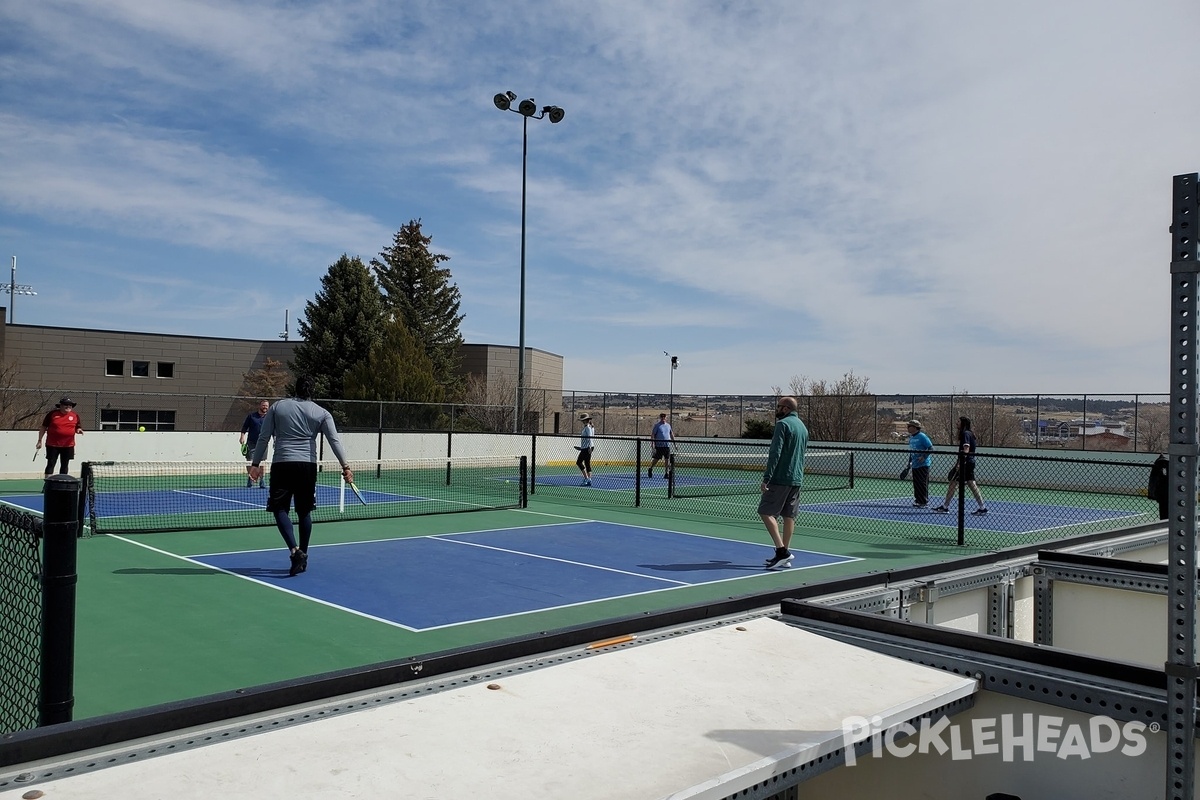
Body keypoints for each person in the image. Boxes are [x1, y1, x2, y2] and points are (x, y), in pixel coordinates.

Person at [249, 376, 353, 577]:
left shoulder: (277, 407)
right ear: (312, 391)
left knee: (279, 508)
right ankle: (303, 555)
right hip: (307, 466)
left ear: (294, 389)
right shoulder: (322, 413)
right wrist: (345, 466)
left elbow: (264, 436)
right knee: (304, 512)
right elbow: (334, 441)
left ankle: (295, 551)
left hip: (282, 464)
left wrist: (255, 464)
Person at [759, 396, 809, 570]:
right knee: (789, 515)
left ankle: (782, 552)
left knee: (765, 512)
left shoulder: (783, 425)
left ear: (786, 409)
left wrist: (767, 478)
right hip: (796, 478)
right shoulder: (802, 426)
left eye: (779, 406)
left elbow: (775, 453)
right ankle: (784, 555)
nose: (777, 409)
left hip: (781, 478)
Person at [934, 416, 988, 515]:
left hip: (966, 463)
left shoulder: (966, 434)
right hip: (968, 462)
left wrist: (960, 463)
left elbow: (966, 449)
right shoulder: (968, 433)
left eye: (958, 422)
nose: (956, 424)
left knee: (953, 483)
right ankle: (982, 507)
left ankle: (945, 507)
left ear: (963, 423)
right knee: (971, 484)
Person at [36, 397, 85, 477]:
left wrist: (79, 430)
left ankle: (62, 483)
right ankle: (48, 484)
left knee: (65, 465)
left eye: (70, 405)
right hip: (52, 444)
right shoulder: (52, 414)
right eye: (66, 405)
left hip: (68, 445)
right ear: (61, 406)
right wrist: (39, 440)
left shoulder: (75, 415)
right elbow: (43, 427)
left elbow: (77, 427)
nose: (68, 407)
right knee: (51, 463)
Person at [240, 400, 270, 488]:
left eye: (267, 406)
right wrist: (242, 437)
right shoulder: (251, 416)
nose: (265, 407)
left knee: (262, 463)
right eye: (263, 405)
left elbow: (273, 429)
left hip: (264, 443)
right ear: (260, 406)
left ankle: (262, 480)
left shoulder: (269, 417)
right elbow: (244, 427)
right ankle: (250, 479)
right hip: (251, 443)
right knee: (250, 462)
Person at [905, 420, 934, 508]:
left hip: (923, 464)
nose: (908, 428)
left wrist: (923, 457)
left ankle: (923, 501)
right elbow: (912, 452)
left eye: (909, 426)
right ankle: (918, 499)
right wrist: (909, 463)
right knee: (916, 483)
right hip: (915, 464)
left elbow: (930, 448)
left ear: (914, 427)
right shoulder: (911, 438)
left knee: (922, 482)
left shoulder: (922, 437)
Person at [648, 412, 675, 479]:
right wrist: (652, 444)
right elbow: (653, 435)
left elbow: (671, 434)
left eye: (664, 417)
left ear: (666, 418)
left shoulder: (668, 426)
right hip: (659, 446)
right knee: (656, 459)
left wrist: (675, 443)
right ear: (660, 418)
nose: (663, 418)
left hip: (667, 446)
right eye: (662, 417)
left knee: (667, 459)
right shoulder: (657, 425)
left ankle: (666, 473)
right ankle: (651, 468)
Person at [1148, 453, 1169, 520]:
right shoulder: (1158, 472)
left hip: (1161, 494)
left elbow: (1152, 482)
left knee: (1163, 512)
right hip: (1164, 493)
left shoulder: (1156, 470)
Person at [576, 414, 595, 486]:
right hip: (586, 447)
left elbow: (590, 437)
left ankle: (587, 478)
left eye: (582, 420)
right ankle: (589, 479)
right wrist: (581, 447)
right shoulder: (589, 427)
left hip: (587, 447)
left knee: (579, 462)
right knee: (587, 463)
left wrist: (589, 447)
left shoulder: (588, 427)